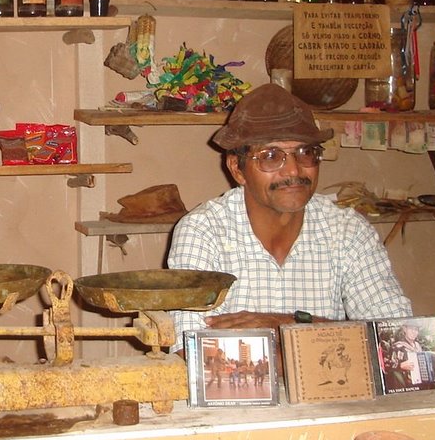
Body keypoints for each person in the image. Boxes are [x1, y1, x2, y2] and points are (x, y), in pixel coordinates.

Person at [169, 83, 413, 350]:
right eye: (271, 156)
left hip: (331, 389)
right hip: (240, 392)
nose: (294, 171)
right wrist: (327, 338)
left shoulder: (347, 230)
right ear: (237, 169)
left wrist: (283, 325)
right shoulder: (203, 232)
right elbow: (193, 352)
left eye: (305, 153)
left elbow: (396, 338)